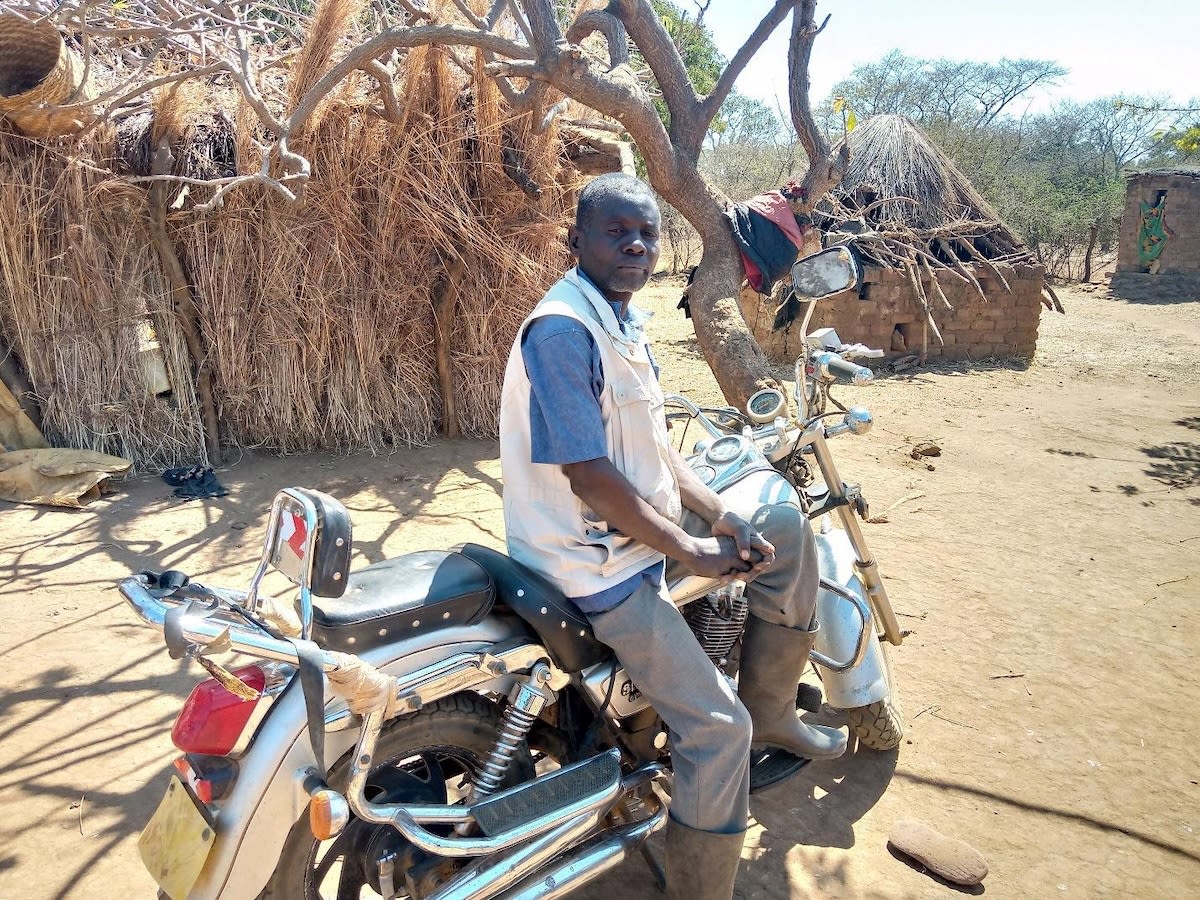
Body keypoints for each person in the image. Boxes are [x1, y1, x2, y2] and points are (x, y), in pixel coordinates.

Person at [498, 173, 847, 900]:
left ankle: (773, 710)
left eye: (647, 233)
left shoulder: (618, 321)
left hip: (625, 536)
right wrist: (692, 551)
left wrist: (721, 515)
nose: (635, 245)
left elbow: (656, 447)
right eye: (616, 231)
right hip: (594, 564)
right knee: (719, 732)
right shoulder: (563, 331)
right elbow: (591, 478)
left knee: (779, 522)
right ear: (577, 241)